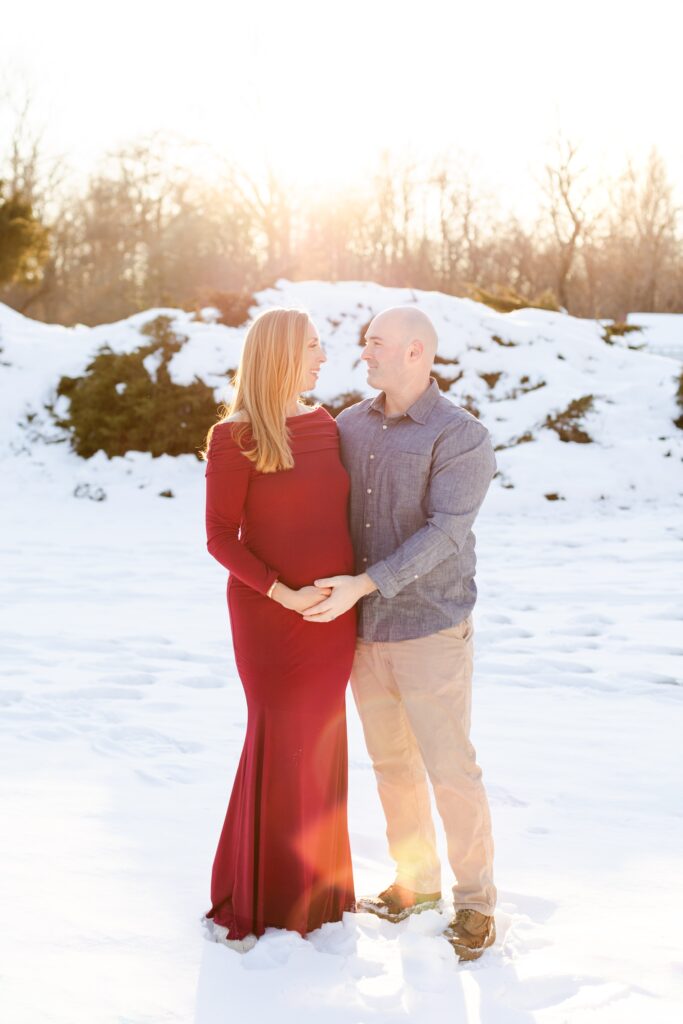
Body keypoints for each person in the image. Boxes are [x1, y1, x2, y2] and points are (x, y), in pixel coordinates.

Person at [303, 306, 497, 962]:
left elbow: (445, 533)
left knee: (450, 770)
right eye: (365, 344)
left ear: (415, 353)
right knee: (392, 769)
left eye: (375, 344)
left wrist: (365, 583)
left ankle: (475, 904)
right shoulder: (347, 426)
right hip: (360, 634)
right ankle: (414, 886)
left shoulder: (460, 435)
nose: (364, 353)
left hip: (429, 631)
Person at [201, 307, 356, 951]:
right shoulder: (232, 437)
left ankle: (322, 893)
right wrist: (282, 593)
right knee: (281, 739)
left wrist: (345, 591)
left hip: (333, 616)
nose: (325, 357)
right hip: (271, 617)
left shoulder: (326, 424)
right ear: (282, 354)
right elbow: (218, 539)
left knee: (320, 742)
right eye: (315, 346)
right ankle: (265, 896)